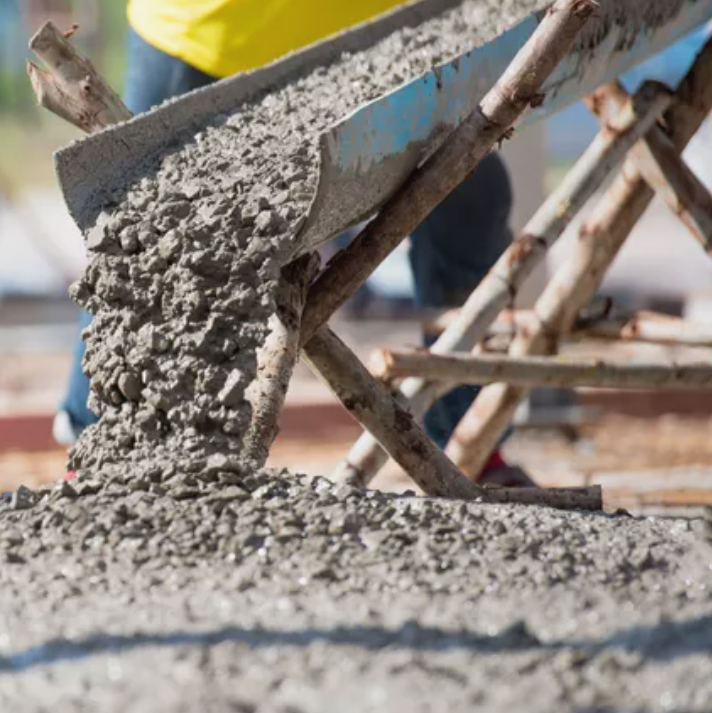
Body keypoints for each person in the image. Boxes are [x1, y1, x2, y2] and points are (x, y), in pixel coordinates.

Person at [54, 0, 534, 486]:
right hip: (209, 36)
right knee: (148, 238)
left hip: (385, 43)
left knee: (469, 201)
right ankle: (100, 452)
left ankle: (474, 442)